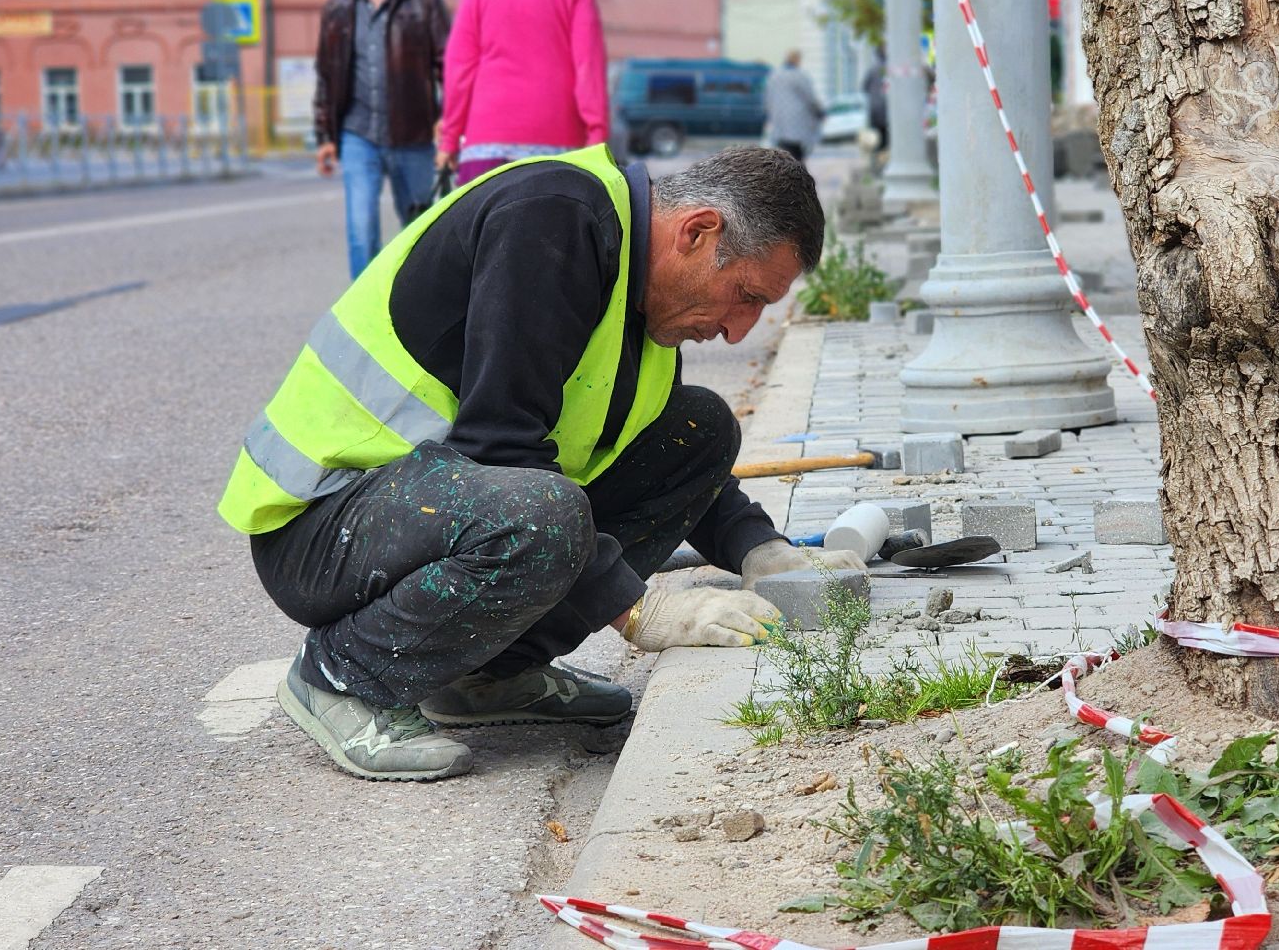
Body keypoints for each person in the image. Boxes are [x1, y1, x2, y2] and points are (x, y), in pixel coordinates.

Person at [217, 146, 866, 781]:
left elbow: (642, 449)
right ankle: (342, 673)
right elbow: (501, 448)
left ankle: (484, 676)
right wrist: (640, 611)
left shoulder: (636, 294)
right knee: (543, 512)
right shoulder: (552, 218)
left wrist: (763, 550)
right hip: (327, 527)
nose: (739, 330)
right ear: (697, 232)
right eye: (745, 294)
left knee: (697, 429)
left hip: (426, 510)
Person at [437, 0, 608, 186]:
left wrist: (450, 140)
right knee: (552, 232)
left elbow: (459, 66)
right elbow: (588, 67)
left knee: (485, 231)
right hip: (557, 138)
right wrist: (597, 137)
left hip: (486, 140)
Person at [312, 0, 452, 279]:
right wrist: (326, 137)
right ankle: (365, 319)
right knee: (362, 232)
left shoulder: (424, 2)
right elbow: (326, 77)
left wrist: (447, 121)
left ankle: (418, 313)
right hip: (359, 136)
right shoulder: (338, 10)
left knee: (420, 230)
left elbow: (449, 66)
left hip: (415, 136)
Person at [764, 50, 824, 163]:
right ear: (797, 60)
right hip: (797, 124)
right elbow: (810, 98)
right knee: (797, 156)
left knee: (784, 156)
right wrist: (820, 112)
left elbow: (768, 100)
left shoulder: (774, 76)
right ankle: (799, 178)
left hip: (779, 124)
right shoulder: (800, 76)